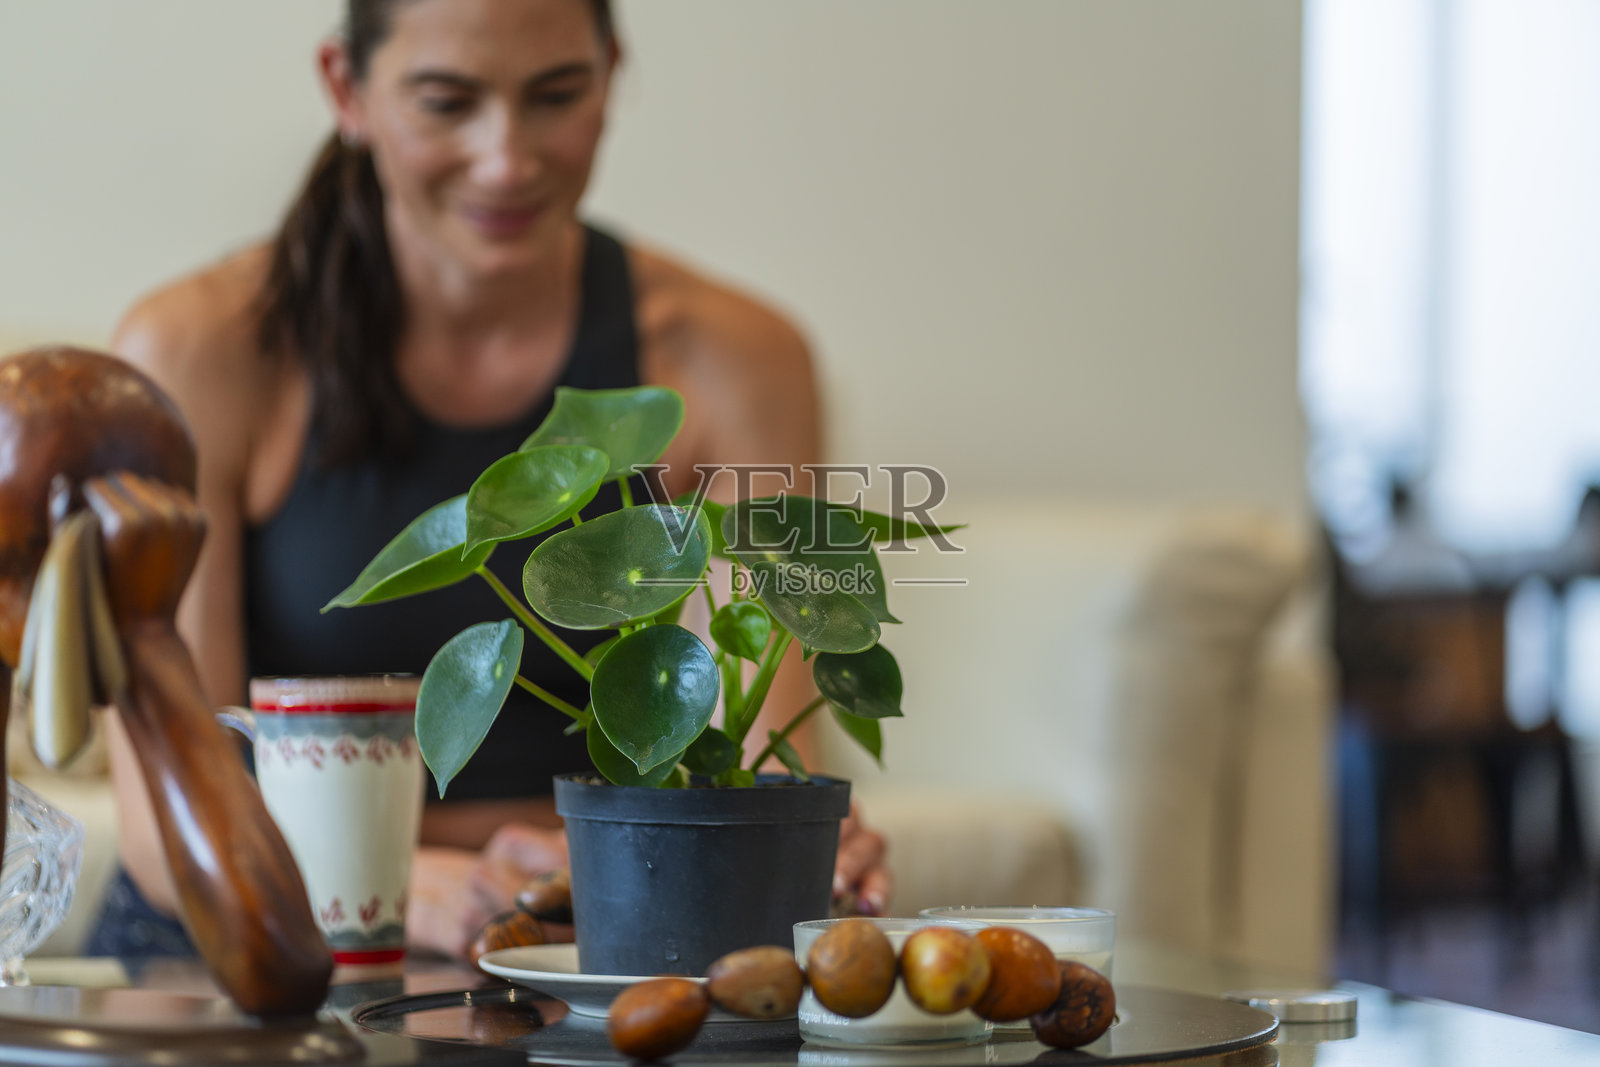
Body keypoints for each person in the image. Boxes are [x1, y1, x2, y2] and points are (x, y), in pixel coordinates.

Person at [95, 0, 890, 959]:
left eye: (557, 94)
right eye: (445, 102)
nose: (507, 159)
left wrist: (797, 848)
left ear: (610, 75)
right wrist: (424, 891)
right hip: (259, 927)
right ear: (348, 90)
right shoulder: (196, 353)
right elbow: (167, 811)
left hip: (605, 924)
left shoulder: (743, 359)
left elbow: (758, 745)